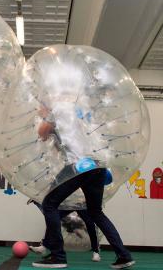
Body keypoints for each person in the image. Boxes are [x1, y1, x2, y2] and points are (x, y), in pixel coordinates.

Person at [32, 109, 135, 269]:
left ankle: (58, 256)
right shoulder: (78, 114)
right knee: (96, 212)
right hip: (98, 165)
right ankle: (123, 255)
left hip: (78, 165)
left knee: (49, 204)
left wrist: (44, 116)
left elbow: (42, 132)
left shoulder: (57, 109)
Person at [28, 200, 101, 262]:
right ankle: (44, 247)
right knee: (53, 219)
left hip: (82, 200)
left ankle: (96, 251)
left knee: (90, 223)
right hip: (70, 198)